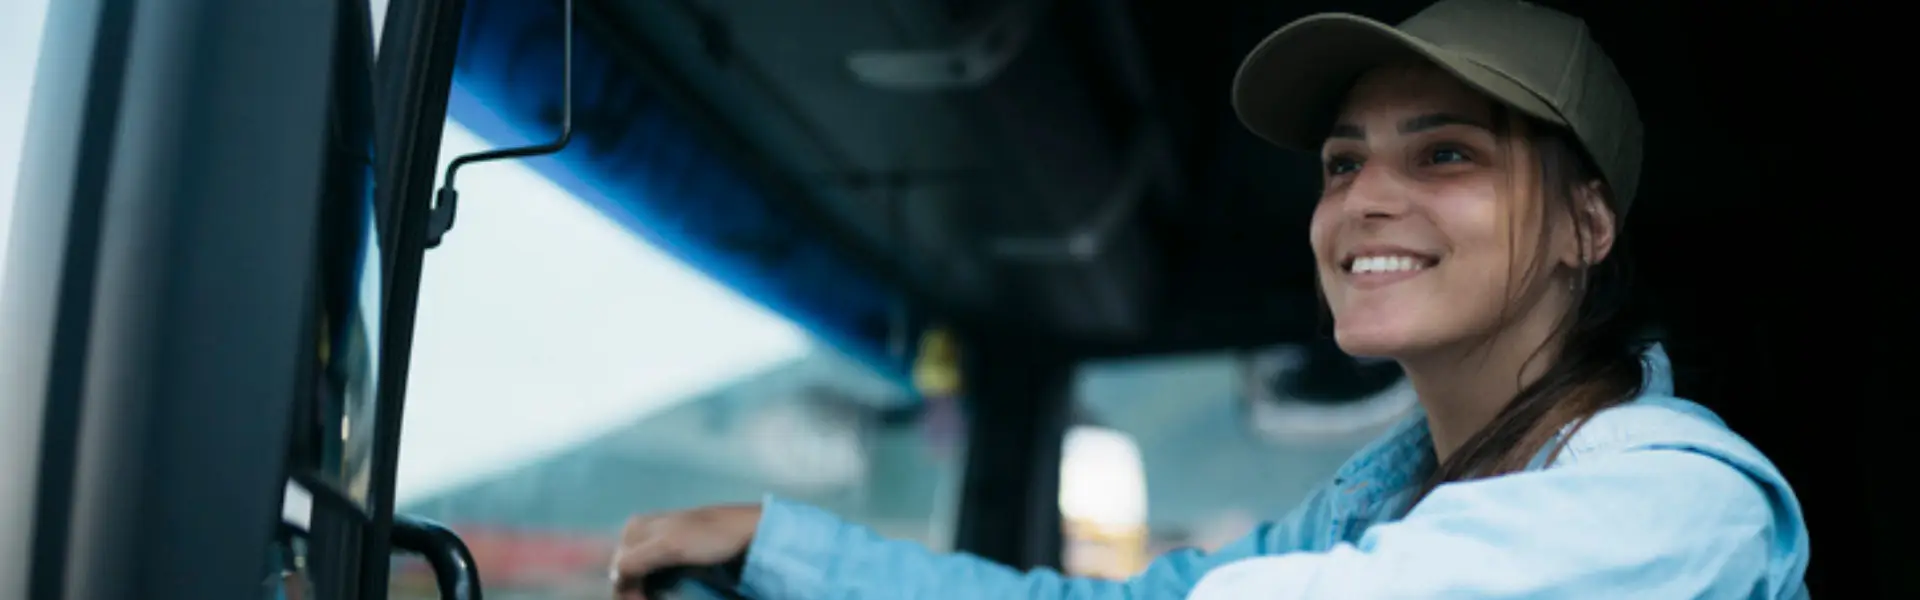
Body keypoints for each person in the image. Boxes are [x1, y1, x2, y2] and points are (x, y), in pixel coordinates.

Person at [610, 1, 1812, 598]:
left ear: (1587, 225)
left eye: (1446, 153)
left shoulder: (1675, 506)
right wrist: (782, 544)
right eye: (1341, 164)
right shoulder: (1372, 507)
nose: (1364, 200)